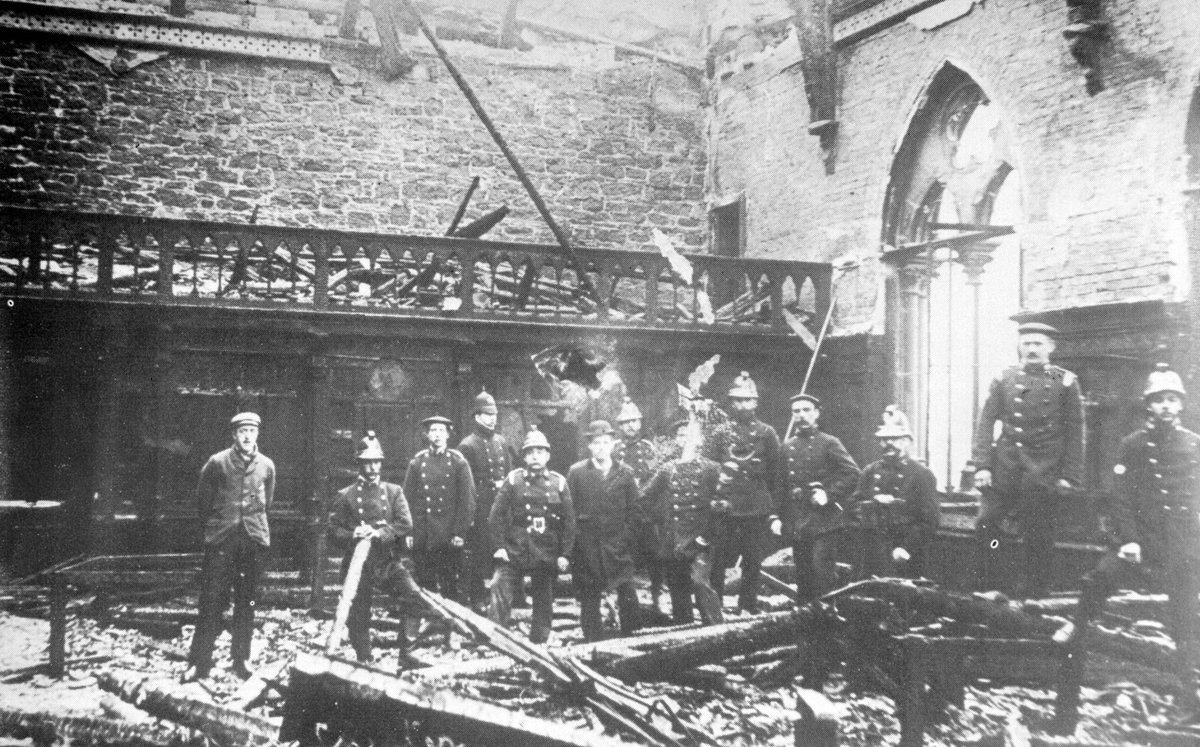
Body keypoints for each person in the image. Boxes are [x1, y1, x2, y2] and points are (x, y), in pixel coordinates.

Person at [1054, 364, 1200, 720]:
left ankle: (1190, 699)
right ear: (1148, 405)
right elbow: (1120, 498)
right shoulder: (1133, 445)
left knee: (1186, 621)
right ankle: (1078, 623)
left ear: (1179, 405)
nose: (1166, 406)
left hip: (1182, 544)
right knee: (1101, 576)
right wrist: (1129, 540)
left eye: (1171, 400)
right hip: (1142, 540)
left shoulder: (1194, 444)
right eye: (1159, 400)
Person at [970, 321, 1084, 598]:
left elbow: (1075, 431)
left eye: (1038, 344)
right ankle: (995, 584)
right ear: (1019, 346)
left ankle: (1034, 593)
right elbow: (986, 422)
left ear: (1050, 348)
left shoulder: (1065, 381)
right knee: (987, 523)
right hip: (1005, 466)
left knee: (1038, 534)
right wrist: (982, 464)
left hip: (1043, 469)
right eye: (1027, 343)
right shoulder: (1004, 378)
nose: (1032, 349)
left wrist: (1069, 475)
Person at [185, 412, 275, 681]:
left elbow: (266, 503)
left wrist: (250, 525)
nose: (247, 436)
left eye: (252, 431)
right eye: (242, 431)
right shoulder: (218, 462)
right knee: (211, 600)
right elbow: (203, 501)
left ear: (258, 434)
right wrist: (219, 526)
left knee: (246, 601)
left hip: (252, 541)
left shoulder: (267, 466)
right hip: (223, 540)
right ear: (234, 435)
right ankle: (199, 663)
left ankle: (241, 659)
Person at [327, 432, 419, 663]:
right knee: (358, 614)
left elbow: (405, 524)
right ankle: (364, 658)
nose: (372, 468)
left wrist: (379, 533)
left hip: (386, 560)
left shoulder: (393, 491)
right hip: (358, 564)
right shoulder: (345, 495)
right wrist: (354, 533)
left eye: (376, 462)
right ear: (359, 464)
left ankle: (407, 654)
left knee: (412, 597)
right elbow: (333, 531)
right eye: (367, 462)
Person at [488, 428, 576, 643]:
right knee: (499, 584)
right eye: (530, 452)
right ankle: (495, 637)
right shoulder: (513, 479)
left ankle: (539, 640)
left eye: (540, 452)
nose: (535, 456)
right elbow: (495, 516)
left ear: (548, 455)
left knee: (544, 596)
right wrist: (499, 546)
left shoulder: (559, 482)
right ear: (524, 456)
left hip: (546, 549)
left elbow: (569, 522)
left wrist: (565, 554)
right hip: (516, 547)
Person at [775, 393, 860, 603]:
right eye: (796, 411)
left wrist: (828, 494)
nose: (801, 415)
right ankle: (804, 621)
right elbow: (779, 486)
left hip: (824, 521)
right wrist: (775, 517)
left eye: (806, 410)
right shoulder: (786, 447)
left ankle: (825, 621)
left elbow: (853, 473)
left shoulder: (829, 442)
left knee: (822, 575)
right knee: (803, 576)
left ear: (817, 413)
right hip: (798, 522)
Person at [710, 372, 780, 614]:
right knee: (719, 558)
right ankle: (715, 605)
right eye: (737, 400)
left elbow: (776, 472)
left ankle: (747, 605)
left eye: (746, 400)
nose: (741, 405)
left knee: (752, 558)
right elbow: (709, 468)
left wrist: (773, 509)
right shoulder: (720, 432)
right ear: (731, 403)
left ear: (755, 403)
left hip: (755, 504)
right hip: (726, 503)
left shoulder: (767, 433)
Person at [641, 419, 723, 625]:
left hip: (701, 540)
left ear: (700, 440)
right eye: (680, 436)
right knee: (678, 589)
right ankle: (684, 633)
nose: (685, 440)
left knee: (699, 582)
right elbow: (645, 498)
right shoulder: (667, 469)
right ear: (676, 441)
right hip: (674, 540)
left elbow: (724, 504)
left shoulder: (712, 469)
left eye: (690, 435)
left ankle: (716, 630)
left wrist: (708, 535)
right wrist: (656, 520)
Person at [568, 420, 640, 641]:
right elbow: (569, 511)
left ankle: (632, 638)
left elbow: (634, 511)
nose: (601, 447)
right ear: (589, 446)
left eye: (605, 442)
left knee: (627, 592)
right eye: (596, 443)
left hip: (617, 544)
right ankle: (593, 643)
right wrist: (576, 543)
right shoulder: (577, 472)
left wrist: (626, 538)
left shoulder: (625, 473)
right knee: (590, 596)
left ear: (613, 445)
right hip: (588, 546)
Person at [849, 407, 939, 579]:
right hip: (871, 549)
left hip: (904, 551)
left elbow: (930, 520)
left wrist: (907, 548)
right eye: (884, 439)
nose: (889, 443)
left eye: (895, 439)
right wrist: (873, 503)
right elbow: (853, 507)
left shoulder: (921, 474)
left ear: (907, 441)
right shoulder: (869, 471)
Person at [403, 415, 475, 602]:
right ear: (426, 434)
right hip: (423, 533)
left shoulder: (458, 462)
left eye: (441, 431)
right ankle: (429, 620)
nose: (437, 435)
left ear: (448, 435)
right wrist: (409, 532)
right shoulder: (417, 463)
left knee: (449, 582)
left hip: (448, 535)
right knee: (425, 581)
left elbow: (466, 501)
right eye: (433, 430)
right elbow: (405, 501)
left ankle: (449, 624)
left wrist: (460, 532)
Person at [457, 390, 515, 611]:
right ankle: (479, 597)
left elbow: (510, 476)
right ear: (476, 416)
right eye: (487, 414)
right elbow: (464, 484)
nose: (492, 418)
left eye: (494, 414)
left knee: (503, 548)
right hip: (480, 506)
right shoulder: (467, 445)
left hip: (501, 504)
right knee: (480, 552)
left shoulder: (501, 442)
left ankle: (506, 596)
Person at [612, 397, 665, 613]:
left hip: (646, 512)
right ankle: (623, 600)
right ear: (620, 426)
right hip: (624, 513)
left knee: (656, 556)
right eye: (626, 422)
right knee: (625, 556)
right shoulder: (614, 449)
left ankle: (657, 596)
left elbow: (656, 477)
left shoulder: (648, 448)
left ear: (640, 423)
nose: (631, 426)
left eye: (634, 421)